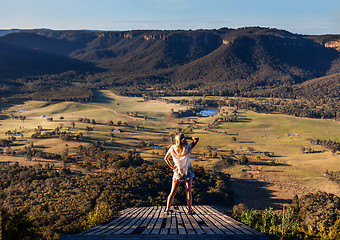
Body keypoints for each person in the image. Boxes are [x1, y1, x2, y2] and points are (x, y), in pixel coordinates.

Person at [164, 133, 199, 215]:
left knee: (172, 192)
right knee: (188, 191)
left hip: (178, 172)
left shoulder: (172, 148)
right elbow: (196, 139)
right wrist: (186, 137)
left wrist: (172, 167)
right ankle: (189, 210)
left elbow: (166, 158)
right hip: (188, 171)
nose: (184, 140)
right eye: (182, 139)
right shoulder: (187, 148)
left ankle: (167, 210)